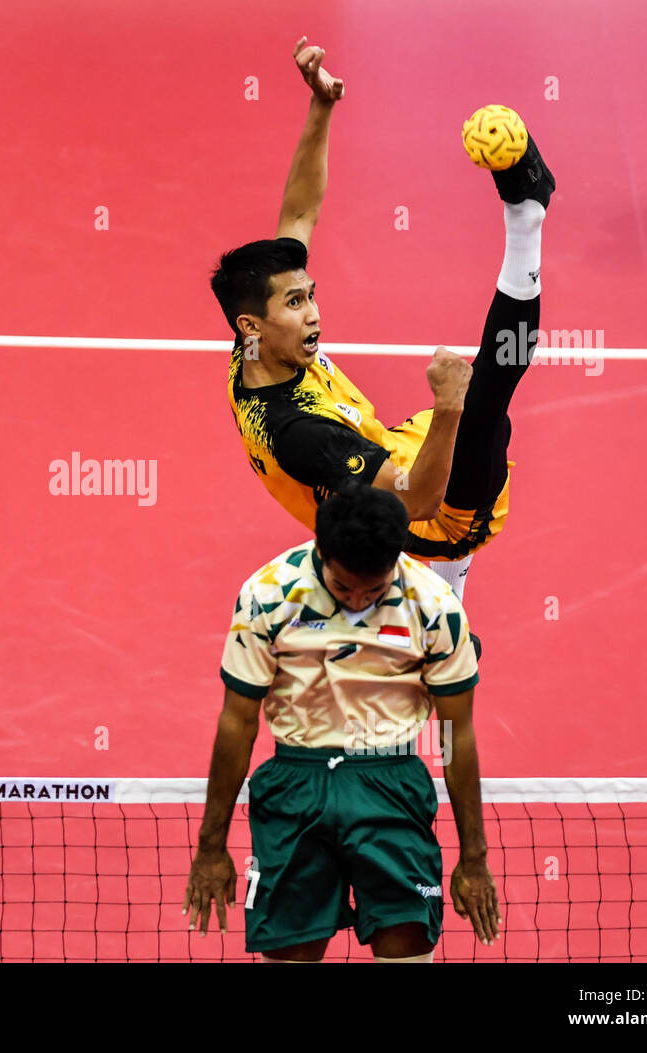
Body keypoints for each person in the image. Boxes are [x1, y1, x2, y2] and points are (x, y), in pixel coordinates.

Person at [213, 38, 555, 603]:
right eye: (296, 305)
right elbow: (417, 501)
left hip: (384, 451)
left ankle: (444, 597)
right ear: (255, 324)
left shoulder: (253, 343)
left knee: (487, 425)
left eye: (310, 296)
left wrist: (321, 105)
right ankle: (528, 215)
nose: (315, 315)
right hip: (427, 519)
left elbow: (299, 211)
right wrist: (449, 405)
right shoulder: (299, 433)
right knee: (487, 396)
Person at [183, 486, 501, 961]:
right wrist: (211, 846)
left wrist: (474, 857)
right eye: (343, 587)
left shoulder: (435, 605)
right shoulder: (269, 594)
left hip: (392, 788)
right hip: (296, 786)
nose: (356, 603)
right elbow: (237, 723)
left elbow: (457, 735)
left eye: (373, 591)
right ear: (321, 553)